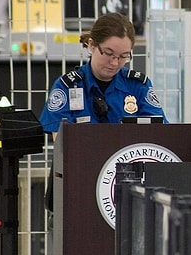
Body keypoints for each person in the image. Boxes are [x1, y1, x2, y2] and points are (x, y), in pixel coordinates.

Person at [40, 12, 167, 210]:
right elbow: (62, 143)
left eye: (123, 56)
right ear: (92, 45)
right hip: (80, 186)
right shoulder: (67, 87)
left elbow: (159, 134)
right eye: (108, 53)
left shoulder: (138, 86)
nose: (115, 63)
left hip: (128, 189)